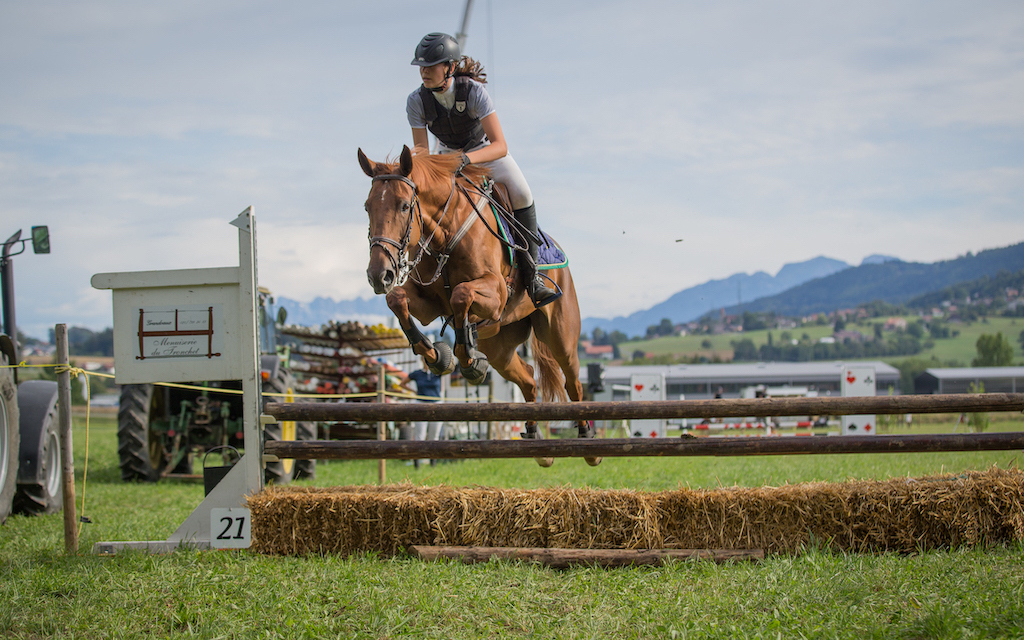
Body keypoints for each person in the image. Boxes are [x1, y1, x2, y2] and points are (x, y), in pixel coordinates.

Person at [407, 32, 560, 308]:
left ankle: (532, 275)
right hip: (447, 159)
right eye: (421, 67)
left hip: (485, 153)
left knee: (523, 194)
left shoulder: (474, 92)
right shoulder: (416, 101)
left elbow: (500, 145)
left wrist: (467, 159)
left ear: (450, 68)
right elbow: (421, 153)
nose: (424, 72)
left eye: (431, 66)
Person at [407, 361, 444, 468]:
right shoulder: (417, 373)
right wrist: (414, 392)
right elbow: (402, 383)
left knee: (434, 435)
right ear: (422, 360)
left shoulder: (437, 373)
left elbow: (449, 369)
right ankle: (417, 463)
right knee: (420, 435)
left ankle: (433, 463)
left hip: (436, 405)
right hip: (421, 405)